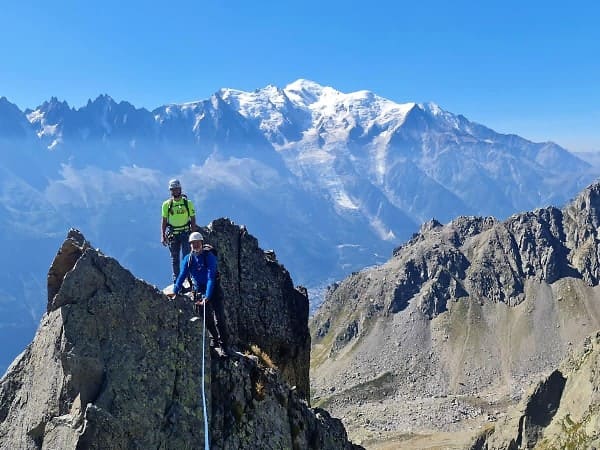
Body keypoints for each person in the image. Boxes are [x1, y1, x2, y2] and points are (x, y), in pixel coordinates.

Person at [173, 232, 229, 358]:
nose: (195, 245)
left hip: (213, 290)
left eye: (197, 243)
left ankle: (224, 346)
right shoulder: (188, 259)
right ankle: (214, 338)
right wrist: (175, 290)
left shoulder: (209, 256)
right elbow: (182, 275)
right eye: (193, 244)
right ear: (190, 245)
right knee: (206, 318)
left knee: (219, 318)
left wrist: (207, 297)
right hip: (199, 291)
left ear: (201, 243)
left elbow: (211, 277)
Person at [161, 179, 197, 282]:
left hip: (186, 233)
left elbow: (193, 219)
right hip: (173, 234)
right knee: (175, 259)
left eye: (177, 189)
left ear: (180, 189)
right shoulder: (166, 205)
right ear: (170, 191)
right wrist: (162, 235)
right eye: (173, 189)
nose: (175, 191)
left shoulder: (187, 203)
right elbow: (164, 221)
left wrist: (193, 235)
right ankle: (178, 282)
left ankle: (188, 279)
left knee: (186, 258)